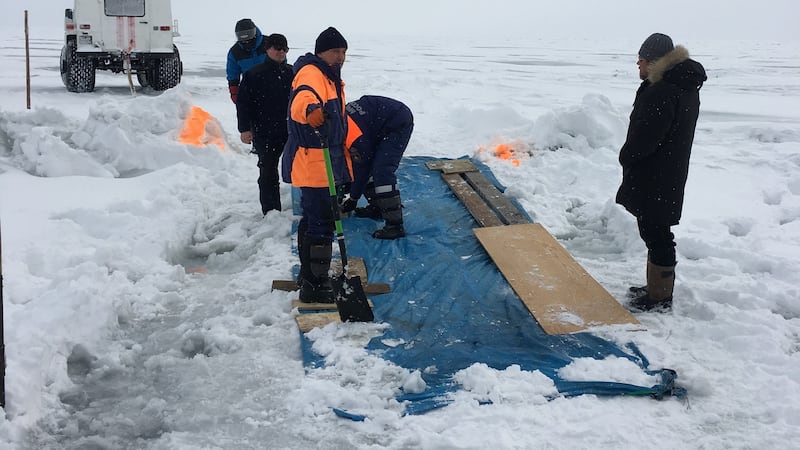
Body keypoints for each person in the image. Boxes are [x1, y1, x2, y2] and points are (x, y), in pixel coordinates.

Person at [616, 33, 707, 312]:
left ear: (653, 61)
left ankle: (659, 297)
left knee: (656, 232)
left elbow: (647, 138)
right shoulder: (682, 86)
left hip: (655, 173)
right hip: (667, 170)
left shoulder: (663, 91)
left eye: (641, 60)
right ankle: (655, 289)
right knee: (655, 229)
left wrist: (627, 156)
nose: (638, 65)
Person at [281, 27, 352, 303]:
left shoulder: (330, 76)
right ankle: (316, 284)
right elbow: (303, 97)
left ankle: (308, 275)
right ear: (321, 52)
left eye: (344, 52)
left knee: (313, 219)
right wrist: (310, 111)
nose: (341, 57)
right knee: (322, 222)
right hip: (315, 160)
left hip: (326, 158)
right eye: (336, 51)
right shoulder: (312, 73)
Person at [339, 95, 414, 239]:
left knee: (382, 170)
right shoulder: (339, 125)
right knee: (369, 163)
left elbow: (362, 169)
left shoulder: (354, 137)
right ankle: (378, 207)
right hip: (376, 121)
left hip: (397, 122)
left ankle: (395, 225)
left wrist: (353, 198)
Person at [236, 34, 294, 215]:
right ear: (267, 49)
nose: (281, 52)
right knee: (268, 171)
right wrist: (244, 129)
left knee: (301, 168)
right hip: (265, 132)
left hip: (292, 130)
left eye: (285, 49)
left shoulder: (293, 73)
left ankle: (304, 204)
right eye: (277, 48)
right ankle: (271, 212)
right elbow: (243, 104)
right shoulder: (254, 74)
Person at [226, 18, 268, 104]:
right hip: (250, 91)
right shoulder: (235, 52)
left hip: (272, 87)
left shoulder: (269, 43)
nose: (246, 41)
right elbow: (232, 75)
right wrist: (234, 93)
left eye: (248, 36)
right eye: (242, 37)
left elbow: (281, 63)